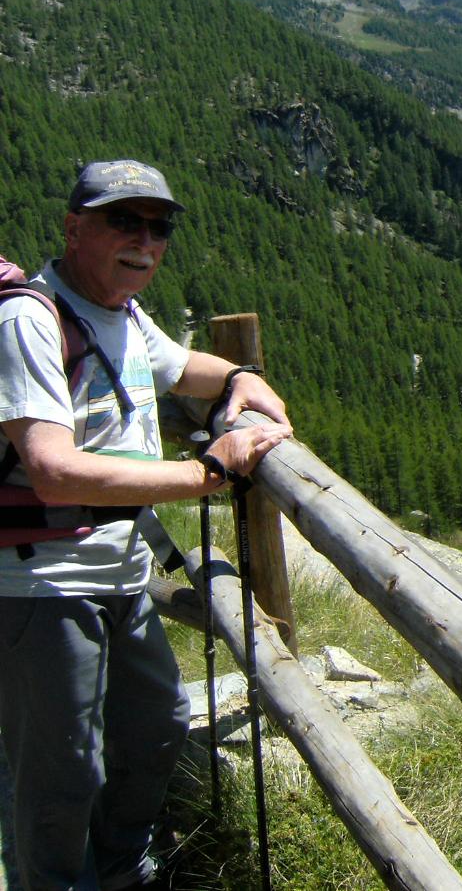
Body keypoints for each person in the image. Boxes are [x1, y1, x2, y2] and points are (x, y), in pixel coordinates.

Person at [0, 159, 294, 891]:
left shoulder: (122, 312)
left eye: (157, 226)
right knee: (62, 768)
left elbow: (176, 365)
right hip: (43, 582)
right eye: (121, 221)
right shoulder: (30, 320)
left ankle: (123, 869)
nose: (144, 240)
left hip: (118, 573)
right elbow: (52, 468)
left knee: (158, 721)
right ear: (74, 227)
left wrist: (236, 378)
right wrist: (208, 473)